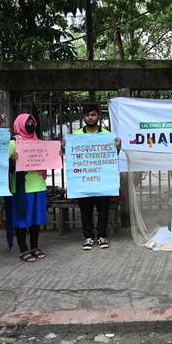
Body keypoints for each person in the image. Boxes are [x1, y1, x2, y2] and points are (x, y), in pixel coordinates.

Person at [63, 104, 121, 250]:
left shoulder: (108, 136)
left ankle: (102, 236)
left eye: (93, 115)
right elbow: (71, 158)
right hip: (84, 182)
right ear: (83, 117)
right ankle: (88, 237)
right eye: (87, 115)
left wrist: (118, 147)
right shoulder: (75, 137)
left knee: (103, 209)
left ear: (98, 117)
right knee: (85, 210)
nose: (90, 117)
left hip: (102, 181)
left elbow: (111, 158)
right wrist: (64, 148)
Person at [7, 114, 49, 262]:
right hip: (21, 188)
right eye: (27, 122)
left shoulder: (40, 142)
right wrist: (12, 161)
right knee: (22, 219)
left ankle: (34, 246)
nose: (30, 124)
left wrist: (56, 155)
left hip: (39, 185)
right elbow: (5, 167)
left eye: (33, 122)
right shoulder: (13, 142)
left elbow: (48, 160)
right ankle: (23, 249)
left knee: (36, 218)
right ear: (20, 124)